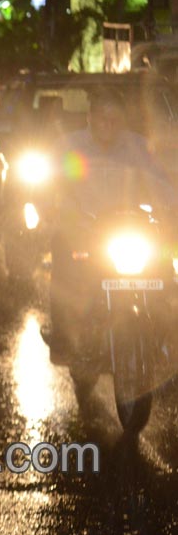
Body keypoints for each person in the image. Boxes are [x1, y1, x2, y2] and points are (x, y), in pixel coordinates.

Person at [48, 89, 176, 363]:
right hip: (82, 230)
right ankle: (63, 337)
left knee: (165, 267)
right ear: (90, 118)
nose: (108, 125)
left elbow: (161, 183)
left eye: (114, 119)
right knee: (64, 267)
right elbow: (56, 185)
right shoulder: (71, 147)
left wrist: (171, 208)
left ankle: (164, 333)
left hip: (128, 228)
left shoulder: (138, 148)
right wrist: (62, 210)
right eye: (102, 118)